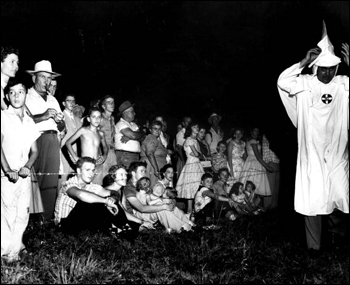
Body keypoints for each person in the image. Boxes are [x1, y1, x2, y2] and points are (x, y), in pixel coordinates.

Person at [277, 21, 349, 254]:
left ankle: (337, 239)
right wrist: (303, 63)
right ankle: (313, 248)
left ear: (336, 69)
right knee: (313, 198)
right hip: (311, 153)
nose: (327, 73)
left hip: (338, 151)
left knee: (340, 194)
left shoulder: (343, 85)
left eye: (331, 68)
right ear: (315, 67)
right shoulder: (305, 83)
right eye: (322, 68)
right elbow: (282, 82)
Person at [54, 157, 146, 241]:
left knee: (102, 199)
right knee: (88, 202)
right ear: (78, 171)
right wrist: (105, 201)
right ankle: (123, 231)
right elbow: (81, 195)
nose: (91, 173)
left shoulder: (92, 186)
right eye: (87, 170)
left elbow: (113, 193)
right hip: (64, 226)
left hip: (82, 226)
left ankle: (124, 230)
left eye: (93, 170)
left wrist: (111, 200)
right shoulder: (68, 184)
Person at [1, 77, 40, 262]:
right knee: (7, 213)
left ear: (26, 94)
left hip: (23, 175)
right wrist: (8, 169)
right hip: (6, 175)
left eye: (20, 92)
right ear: (7, 97)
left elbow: (35, 151)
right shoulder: (3, 117)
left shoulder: (30, 122)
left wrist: (27, 166)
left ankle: (14, 253)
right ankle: (3, 251)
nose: (16, 96)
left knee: (22, 214)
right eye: (12, 92)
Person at [25, 60, 65, 222]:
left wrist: (60, 120)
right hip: (35, 140)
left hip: (53, 140)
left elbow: (62, 127)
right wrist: (44, 116)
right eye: (42, 77)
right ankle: (30, 223)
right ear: (34, 78)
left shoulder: (53, 100)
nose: (46, 81)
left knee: (51, 184)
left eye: (49, 78)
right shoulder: (26, 96)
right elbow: (21, 122)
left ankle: (46, 223)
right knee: (33, 183)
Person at [102, 164, 155, 230]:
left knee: (140, 227)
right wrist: (141, 222)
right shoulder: (107, 191)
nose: (125, 177)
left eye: (125, 174)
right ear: (113, 176)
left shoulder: (121, 191)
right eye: (121, 174)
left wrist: (140, 222)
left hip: (118, 219)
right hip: (106, 222)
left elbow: (124, 212)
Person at [65, 107, 108, 185]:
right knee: (83, 187)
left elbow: (105, 147)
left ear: (101, 119)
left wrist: (104, 156)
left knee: (96, 188)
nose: (96, 119)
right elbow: (68, 143)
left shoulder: (101, 134)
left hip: (97, 164)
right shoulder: (83, 130)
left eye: (99, 117)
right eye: (94, 117)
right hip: (85, 164)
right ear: (88, 119)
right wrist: (75, 157)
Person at [239, 127, 273, 209]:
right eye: (254, 131)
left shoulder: (251, 141)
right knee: (254, 184)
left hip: (253, 161)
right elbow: (258, 156)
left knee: (256, 185)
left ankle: (254, 207)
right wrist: (267, 167)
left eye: (258, 131)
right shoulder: (253, 141)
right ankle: (251, 207)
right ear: (251, 132)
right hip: (254, 162)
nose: (256, 132)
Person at [176, 121, 205, 214]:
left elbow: (198, 154)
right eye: (194, 127)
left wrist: (197, 154)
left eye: (197, 127)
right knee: (190, 189)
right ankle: (189, 212)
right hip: (191, 165)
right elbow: (197, 154)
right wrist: (196, 154)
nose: (197, 128)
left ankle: (196, 211)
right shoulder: (189, 140)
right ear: (190, 129)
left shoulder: (195, 140)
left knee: (198, 188)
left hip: (197, 164)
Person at [58, 93, 82, 189]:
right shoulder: (61, 116)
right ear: (64, 103)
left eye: (73, 101)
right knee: (63, 181)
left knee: (73, 182)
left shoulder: (77, 119)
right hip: (64, 153)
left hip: (76, 154)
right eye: (69, 101)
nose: (72, 103)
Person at [114, 101, 145, 169]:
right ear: (125, 112)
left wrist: (130, 138)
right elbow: (134, 135)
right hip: (125, 155)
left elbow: (143, 137)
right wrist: (135, 136)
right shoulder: (120, 124)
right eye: (132, 111)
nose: (135, 113)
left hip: (135, 156)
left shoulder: (133, 124)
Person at [140, 120, 168, 188]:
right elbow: (149, 153)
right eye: (155, 128)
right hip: (152, 167)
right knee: (152, 188)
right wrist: (156, 169)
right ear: (150, 129)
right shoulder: (151, 138)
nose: (157, 131)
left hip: (154, 167)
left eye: (159, 129)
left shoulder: (155, 139)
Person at [99, 95, 117, 182]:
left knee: (113, 177)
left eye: (113, 102)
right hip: (103, 151)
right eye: (109, 102)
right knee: (102, 177)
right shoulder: (99, 118)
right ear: (103, 106)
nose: (112, 104)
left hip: (112, 151)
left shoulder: (112, 119)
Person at [261, 133, 280, 210]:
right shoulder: (266, 134)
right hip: (270, 162)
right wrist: (267, 165)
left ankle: (273, 208)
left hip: (277, 161)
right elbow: (267, 150)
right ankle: (267, 208)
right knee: (270, 187)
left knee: (276, 187)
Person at [1, 46, 19, 110]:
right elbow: (11, 114)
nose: (16, 66)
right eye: (12, 62)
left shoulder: (11, 86)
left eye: (17, 63)